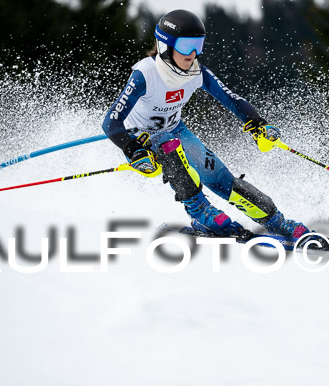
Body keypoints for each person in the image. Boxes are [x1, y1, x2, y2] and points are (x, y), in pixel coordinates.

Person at [102, 9, 310, 239]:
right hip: (142, 137)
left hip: (174, 130)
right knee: (168, 143)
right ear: (165, 46)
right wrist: (133, 150)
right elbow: (111, 122)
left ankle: (277, 222)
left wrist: (257, 123)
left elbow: (231, 99)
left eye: (198, 45)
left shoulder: (196, 72)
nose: (192, 54)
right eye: (186, 45)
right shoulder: (146, 73)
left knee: (220, 178)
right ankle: (201, 213)